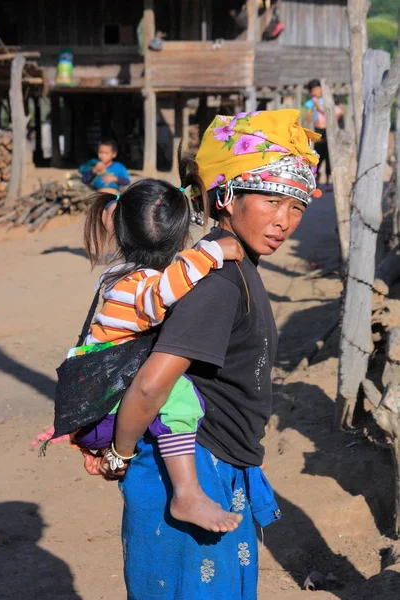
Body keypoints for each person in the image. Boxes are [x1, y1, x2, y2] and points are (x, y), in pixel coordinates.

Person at [83, 109, 321, 599]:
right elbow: (152, 385)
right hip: (190, 473)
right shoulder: (217, 283)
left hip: (220, 468)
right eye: (270, 200)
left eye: (296, 206)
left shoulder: (234, 264)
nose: (284, 221)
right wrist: (117, 455)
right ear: (226, 198)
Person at [68, 178, 245, 534]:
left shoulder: (118, 275)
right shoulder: (141, 286)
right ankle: (187, 494)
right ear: (181, 237)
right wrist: (211, 253)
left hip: (92, 401)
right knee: (178, 396)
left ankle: (104, 452)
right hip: (107, 406)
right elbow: (161, 293)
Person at [304, 79, 333, 191]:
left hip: (328, 131)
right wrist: (313, 108)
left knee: (329, 156)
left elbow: (331, 114)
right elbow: (308, 118)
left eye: (319, 89)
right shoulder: (310, 103)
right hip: (317, 131)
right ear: (311, 91)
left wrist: (320, 107)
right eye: (315, 90)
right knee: (317, 156)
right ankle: (316, 177)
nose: (317, 92)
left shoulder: (326, 101)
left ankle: (328, 181)